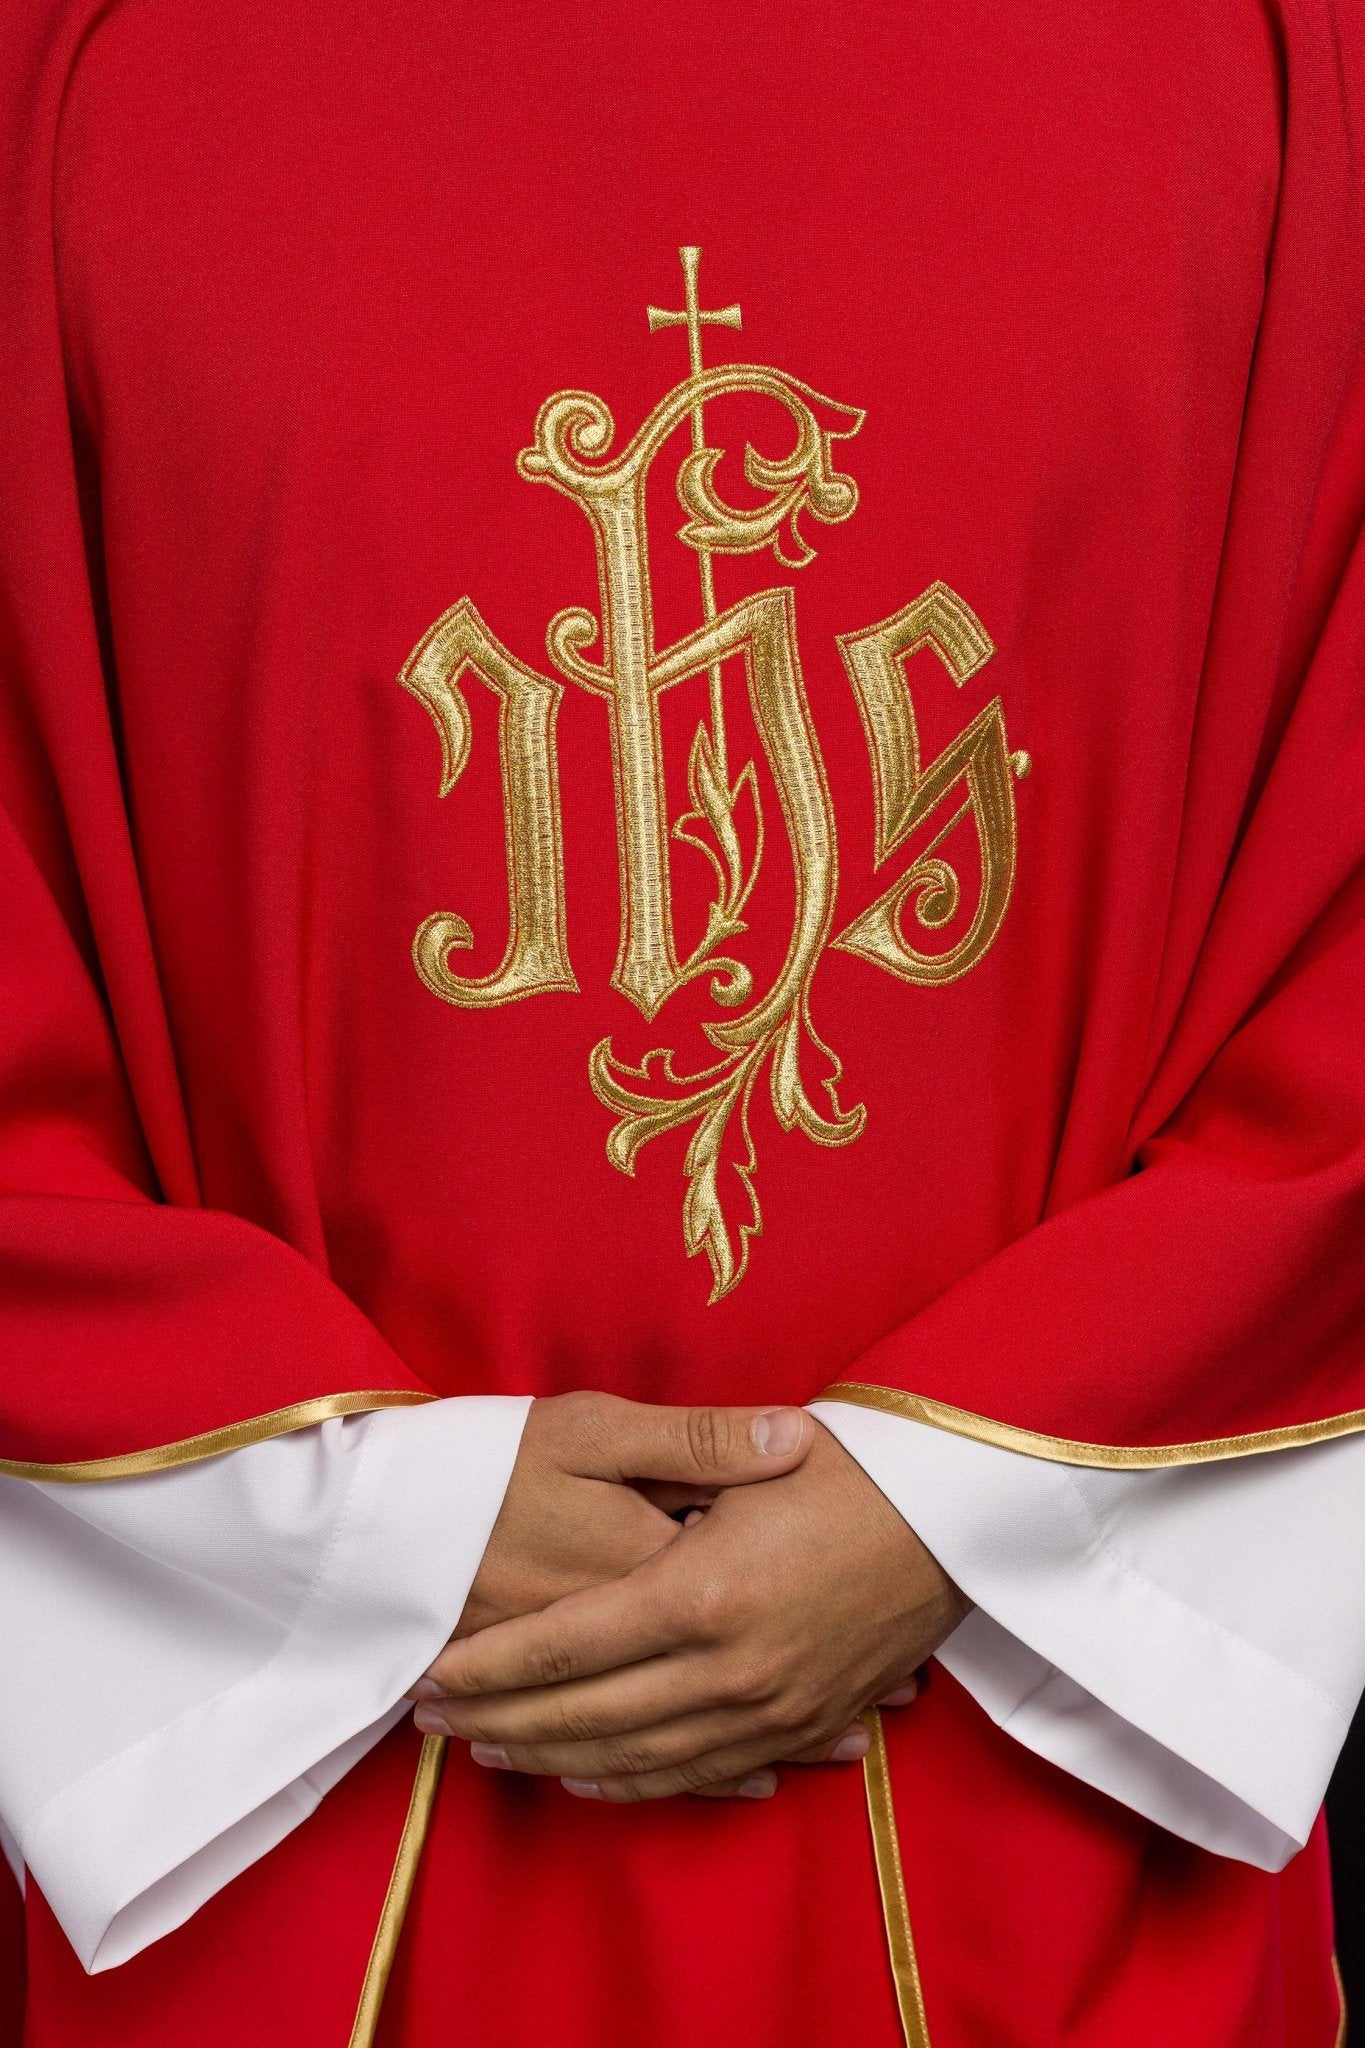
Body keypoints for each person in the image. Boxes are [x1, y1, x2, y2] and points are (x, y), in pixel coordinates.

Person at [1, 1, 1363, 2042]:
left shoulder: (1273, 57)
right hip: (324, 1815)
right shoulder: (69, 62)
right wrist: (360, 1523)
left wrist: (975, 1502)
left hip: (1045, 1816)